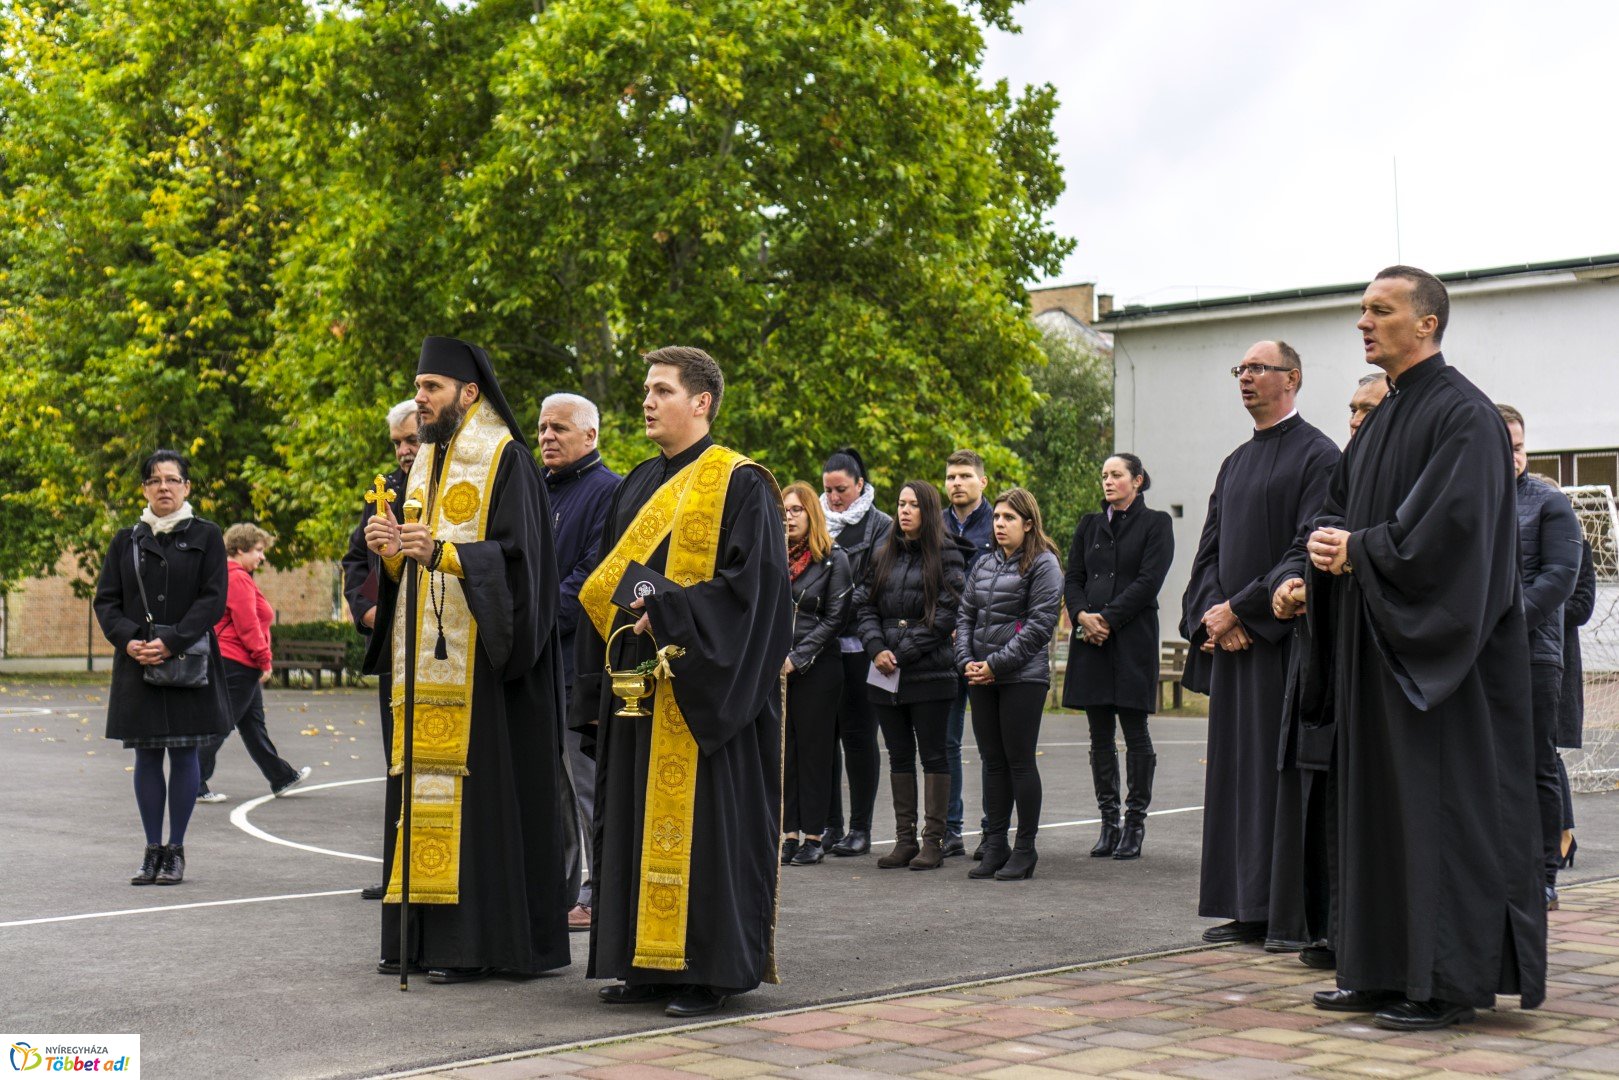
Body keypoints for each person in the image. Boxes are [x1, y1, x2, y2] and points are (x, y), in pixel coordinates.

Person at [1306, 265, 1544, 1031]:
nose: (1362, 323)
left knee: (1434, 815)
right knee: (1374, 814)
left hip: (1438, 668)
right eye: (1361, 311)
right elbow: (1337, 513)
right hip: (1374, 651)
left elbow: (1451, 538)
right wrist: (1311, 558)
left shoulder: (1463, 417)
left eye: (1379, 310)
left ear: (1427, 323)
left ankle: (1440, 979)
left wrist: (1360, 551)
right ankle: (1375, 967)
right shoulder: (1382, 419)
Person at [573, 346, 790, 1019]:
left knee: (703, 831)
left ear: (700, 402)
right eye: (644, 389)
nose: (645, 401)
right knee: (633, 821)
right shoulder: (635, 484)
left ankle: (705, 972)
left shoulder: (741, 482)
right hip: (641, 690)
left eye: (661, 390)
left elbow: (755, 595)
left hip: (705, 697)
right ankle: (642, 964)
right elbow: (605, 581)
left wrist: (666, 610)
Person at [361, 336, 573, 984]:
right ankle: (425, 941)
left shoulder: (505, 459)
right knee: (425, 797)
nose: (420, 399)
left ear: (468, 392)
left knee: (479, 806)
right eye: (419, 388)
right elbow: (415, 563)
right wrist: (391, 550)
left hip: (485, 670)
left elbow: (525, 565)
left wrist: (446, 556)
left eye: (430, 388)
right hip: (426, 665)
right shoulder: (424, 462)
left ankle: (480, 944)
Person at [1181, 340, 1338, 948]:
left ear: (1291, 378)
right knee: (1233, 778)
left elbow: (1305, 549)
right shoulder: (1234, 462)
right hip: (1236, 651)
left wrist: (1241, 610)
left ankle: (1282, 911)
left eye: (1257, 369)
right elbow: (1208, 552)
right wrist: (1212, 616)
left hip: (1283, 650)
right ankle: (1243, 904)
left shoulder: (1320, 455)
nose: (1244, 378)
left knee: (1276, 781)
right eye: (1239, 370)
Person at [1266, 371, 1387, 969]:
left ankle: (1360, 936)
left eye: (1369, 408)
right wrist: (1289, 583)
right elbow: (1305, 540)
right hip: (1325, 666)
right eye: (1351, 408)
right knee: (1327, 804)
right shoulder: (1343, 472)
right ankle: (1329, 930)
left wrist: (1354, 559)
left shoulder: (1402, 477)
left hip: (1377, 666)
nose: (1356, 419)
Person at [94, 450, 232, 887]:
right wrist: (130, 639)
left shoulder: (208, 536)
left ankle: (175, 850)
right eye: (154, 481)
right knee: (147, 756)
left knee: (186, 752)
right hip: (137, 663)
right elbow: (106, 601)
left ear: (187, 487)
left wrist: (170, 642)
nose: (163, 487)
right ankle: (151, 849)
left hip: (189, 661)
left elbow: (213, 600)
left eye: (172, 479)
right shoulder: (125, 540)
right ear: (144, 489)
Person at [539, 392, 623, 932]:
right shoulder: (536, 490)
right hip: (539, 668)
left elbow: (592, 579)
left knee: (590, 789)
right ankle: (561, 890)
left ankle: (599, 893)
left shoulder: (609, 492)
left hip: (578, 668)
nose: (546, 436)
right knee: (554, 792)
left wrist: (531, 622)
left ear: (590, 436)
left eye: (559, 428)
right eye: (542, 428)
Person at [1063, 454, 1174, 861]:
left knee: (1135, 730)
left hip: (1131, 640)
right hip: (1090, 639)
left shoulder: (1157, 523)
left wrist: (1106, 619)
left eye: (1116, 475)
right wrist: (1080, 615)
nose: (1107, 481)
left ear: (1138, 480)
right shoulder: (1088, 525)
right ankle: (1108, 823)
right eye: (1104, 475)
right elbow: (1072, 577)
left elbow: (1149, 581)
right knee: (1098, 736)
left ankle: (1135, 823)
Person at [855, 480, 967, 871]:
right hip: (885, 673)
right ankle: (904, 840)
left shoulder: (947, 553)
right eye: (900, 504)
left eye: (912, 505)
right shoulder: (882, 553)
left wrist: (900, 651)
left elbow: (947, 612)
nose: (904, 511)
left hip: (930, 673)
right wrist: (876, 649)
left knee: (934, 755)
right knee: (899, 755)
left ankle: (932, 841)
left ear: (928, 511)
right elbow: (864, 606)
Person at [956, 488, 1063, 880]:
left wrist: (995, 665)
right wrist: (967, 661)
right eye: (997, 517)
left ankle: (1025, 849)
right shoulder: (984, 563)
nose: (999, 524)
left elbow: (1038, 627)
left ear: (1029, 523)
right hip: (981, 675)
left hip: (1021, 677)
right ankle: (995, 843)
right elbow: (966, 614)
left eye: (1009, 518)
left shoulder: (1044, 564)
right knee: (992, 762)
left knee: (1019, 762)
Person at [1498, 404, 1581, 909]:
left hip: (1532, 656)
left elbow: (1559, 581)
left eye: (1518, 447)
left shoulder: (1549, 504)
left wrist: (1502, 625)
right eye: (1501, 447)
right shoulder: (1469, 503)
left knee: (1536, 765)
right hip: (1474, 658)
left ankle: (1544, 874)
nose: (1511, 456)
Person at [340, 397, 418, 902]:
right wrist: (364, 609)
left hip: (441, 645)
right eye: (397, 443)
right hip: (393, 644)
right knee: (397, 761)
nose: (405, 451)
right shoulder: (383, 491)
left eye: (412, 439)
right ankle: (396, 869)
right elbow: (355, 558)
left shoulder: (457, 484)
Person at [196, 524, 311, 802]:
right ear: (240, 549)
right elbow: (248, 626)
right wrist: (264, 660)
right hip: (237, 663)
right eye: (258, 551)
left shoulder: (233, 575)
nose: (262, 557)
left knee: (253, 725)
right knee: (221, 724)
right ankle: (192, 782)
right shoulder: (236, 578)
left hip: (235, 663)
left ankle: (281, 776)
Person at [819, 448, 893, 858]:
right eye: (828, 489)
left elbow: (873, 584)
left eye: (841, 489)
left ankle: (860, 828)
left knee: (860, 738)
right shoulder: (816, 523)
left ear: (860, 485)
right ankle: (829, 826)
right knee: (822, 740)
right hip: (821, 647)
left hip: (861, 645)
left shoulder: (881, 526)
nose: (833, 498)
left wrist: (832, 605)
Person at [779, 482, 852, 867]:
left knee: (814, 754)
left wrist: (798, 657)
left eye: (796, 510)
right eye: (785, 511)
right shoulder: (773, 557)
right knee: (784, 754)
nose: (788, 517)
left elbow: (835, 619)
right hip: (777, 670)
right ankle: (789, 833)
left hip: (819, 668)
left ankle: (814, 834)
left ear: (812, 514)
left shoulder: (833, 558)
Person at [942, 450, 995, 860]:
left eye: (965, 476)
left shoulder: (999, 524)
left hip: (987, 646)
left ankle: (993, 830)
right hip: (941, 648)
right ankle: (950, 829)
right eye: (951, 477)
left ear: (983, 482)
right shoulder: (935, 523)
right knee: (947, 742)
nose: (957, 483)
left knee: (993, 744)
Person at [1558, 539, 1596, 869]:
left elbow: (1582, 607)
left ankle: (1562, 835)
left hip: (1556, 660)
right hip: (1512, 657)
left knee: (1544, 752)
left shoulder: (1577, 546)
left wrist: (1530, 605)